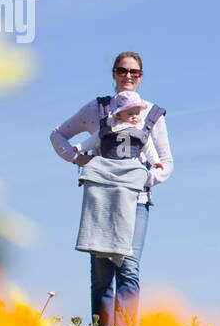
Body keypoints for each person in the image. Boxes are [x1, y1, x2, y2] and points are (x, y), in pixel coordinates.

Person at [50, 51, 173, 326]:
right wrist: (75, 157)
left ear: (141, 77)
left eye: (135, 72)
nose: (128, 76)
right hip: (101, 199)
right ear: (114, 74)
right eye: (122, 70)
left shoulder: (151, 113)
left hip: (136, 201)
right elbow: (58, 134)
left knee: (129, 269)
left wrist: (142, 179)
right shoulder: (97, 108)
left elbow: (166, 162)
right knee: (102, 274)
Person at [72, 90, 168, 273]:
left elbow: (149, 149)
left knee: (124, 211)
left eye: (136, 113)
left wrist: (156, 162)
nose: (134, 117)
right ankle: (94, 240)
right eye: (130, 113)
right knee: (99, 197)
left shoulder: (140, 132)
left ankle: (119, 248)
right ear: (119, 114)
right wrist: (79, 148)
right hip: (108, 170)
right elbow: (92, 141)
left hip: (129, 173)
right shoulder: (108, 129)